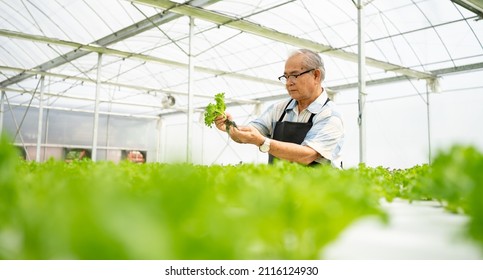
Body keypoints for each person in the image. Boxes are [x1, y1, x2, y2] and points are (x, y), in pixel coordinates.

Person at [215, 49, 344, 168]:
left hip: (320, 190)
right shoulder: (278, 109)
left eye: (295, 75)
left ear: (316, 75)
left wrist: (263, 142)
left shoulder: (330, 115)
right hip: (281, 188)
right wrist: (230, 127)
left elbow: (307, 155)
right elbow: (249, 133)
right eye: (286, 77)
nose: (289, 83)